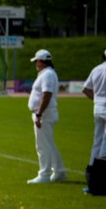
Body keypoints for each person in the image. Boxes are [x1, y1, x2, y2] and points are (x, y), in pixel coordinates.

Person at [25, 49, 66, 184]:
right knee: (49, 144)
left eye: (37, 61)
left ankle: (44, 174)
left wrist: (39, 114)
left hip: (45, 114)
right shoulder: (47, 73)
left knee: (42, 146)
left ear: (41, 62)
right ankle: (59, 171)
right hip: (47, 113)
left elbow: (46, 94)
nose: (36, 64)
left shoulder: (47, 74)